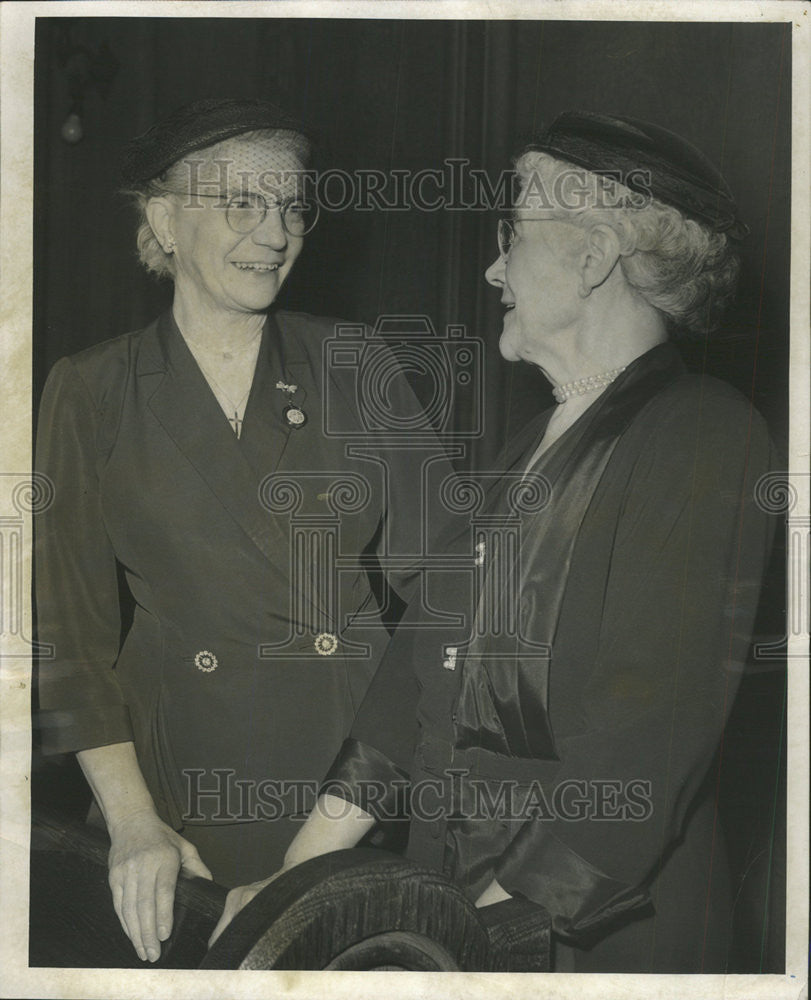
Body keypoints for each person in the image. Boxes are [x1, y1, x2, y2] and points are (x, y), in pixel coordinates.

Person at [211, 111, 776, 973]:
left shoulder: (705, 437)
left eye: (510, 236)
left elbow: (640, 756)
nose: (490, 267)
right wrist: (294, 888)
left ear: (590, 255)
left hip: (592, 942)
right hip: (452, 901)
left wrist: (466, 950)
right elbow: (406, 686)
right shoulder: (527, 444)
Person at [34, 97, 448, 965]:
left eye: (293, 206)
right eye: (241, 204)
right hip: (176, 805)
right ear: (164, 220)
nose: (276, 233)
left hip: (352, 793)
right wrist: (132, 823)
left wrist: (327, 839)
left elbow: (455, 602)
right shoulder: (91, 388)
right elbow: (69, 637)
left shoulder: (359, 363)